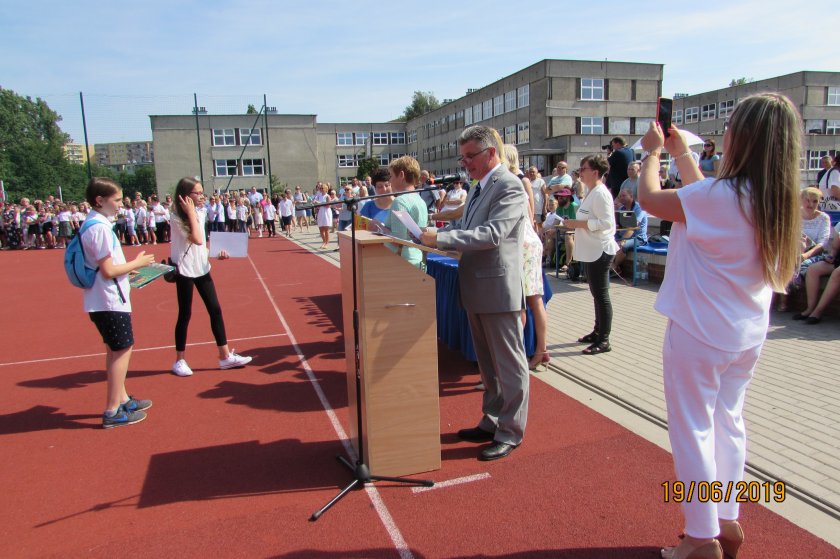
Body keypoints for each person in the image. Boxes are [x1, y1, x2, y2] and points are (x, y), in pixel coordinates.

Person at [638, 93, 802, 559]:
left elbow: (652, 199)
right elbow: (702, 198)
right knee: (729, 425)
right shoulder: (775, 199)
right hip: (746, 333)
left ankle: (699, 536)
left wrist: (651, 151)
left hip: (699, 331)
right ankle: (726, 520)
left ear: (743, 137)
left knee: (692, 431)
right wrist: (681, 153)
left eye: (731, 124)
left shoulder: (721, 197)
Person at [419, 125, 528, 462]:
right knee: (488, 367)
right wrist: (432, 233)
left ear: (491, 153)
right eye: (462, 157)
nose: (464, 163)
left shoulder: (508, 186)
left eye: (470, 156)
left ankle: (510, 432)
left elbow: (492, 234)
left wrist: (442, 241)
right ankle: (492, 420)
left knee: (509, 366)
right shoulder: (478, 187)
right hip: (478, 286)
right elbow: (464, 227)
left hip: (497, 288)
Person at [80, 177, 156, 428]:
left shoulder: (96, 224)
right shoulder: (99, 227)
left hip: (106, 298)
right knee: (122, 349)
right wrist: (139, 263)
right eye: (116, 200)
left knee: (115, 349)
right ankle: (112, 410)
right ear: (99, 200)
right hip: (109, 300)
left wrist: (129, 271)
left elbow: (109, 268)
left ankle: (121, 399)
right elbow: (108, 270)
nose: (120, 205)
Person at [169, 177, 253, 377]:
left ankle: (225, 356)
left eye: (201, 192)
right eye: (196, 193)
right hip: (184, 269)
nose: (201, 196)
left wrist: (216, 253)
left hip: (202, 267)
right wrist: (190, 212)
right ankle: (179, 360)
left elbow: (202, 245)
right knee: (185, 314)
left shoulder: (201, 211)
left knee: (215, 309)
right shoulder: (176, 217)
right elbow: (196, 238)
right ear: (185, 196)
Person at [563, 154, 619, 354]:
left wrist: (578, 224)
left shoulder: (601, 193)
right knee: (596, 294)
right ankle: (597, 332)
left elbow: (607, 224)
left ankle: (604, 339)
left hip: (600, 250)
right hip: (591, 251)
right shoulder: (591, 192)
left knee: (601, 295)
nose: (580, 173)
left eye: (583, 169)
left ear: (595, 172)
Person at [502, 144, 549, 372]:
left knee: (525, 301)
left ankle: (527, 354)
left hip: (523, 244)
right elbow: (530, 216)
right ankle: (539, 350)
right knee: (530, 300)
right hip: (526, 242)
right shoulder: (519, 181)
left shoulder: (517, 181)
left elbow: (528, 217)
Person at [383, 156, 428, 269]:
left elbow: (398, 240)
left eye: (392, 176)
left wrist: (379, 228)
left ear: (401, 175)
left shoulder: (400, 201)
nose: (389, 181)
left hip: (401, 263)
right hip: (417, 259)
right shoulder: (420, 200)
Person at [611, 187, 649, 274]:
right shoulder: (621, 210)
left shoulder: (639, 208)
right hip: (622, 236)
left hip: (638, 238)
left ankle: (613, 268)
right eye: (620, 196)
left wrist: (622, 241)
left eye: (624, 195)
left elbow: (632, 227)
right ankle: (612, 268)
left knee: (621, 246)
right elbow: (616, 226)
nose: (621, 198)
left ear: (631, 196)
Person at [313, 183, 332, 249]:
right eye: (320, 188)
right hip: (320, 212)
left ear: (326, 189)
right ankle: (324, 241)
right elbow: (317, 205)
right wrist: (316, 205)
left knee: (326, 229)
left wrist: (320, 203)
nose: (321, 189)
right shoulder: (319, 196)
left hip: (326, 212)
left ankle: (327, 243)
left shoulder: (327, 196)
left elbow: (329, 205)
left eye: (322, 188)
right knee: (321, 228)